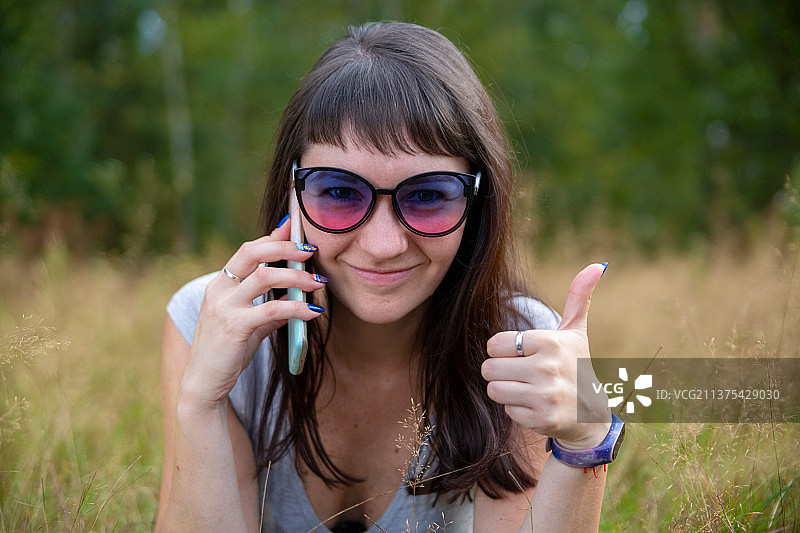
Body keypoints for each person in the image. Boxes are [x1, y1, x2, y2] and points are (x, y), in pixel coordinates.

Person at [155, 21, 620, 533]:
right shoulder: (207, 319)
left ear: (478, 203)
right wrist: (200, 403)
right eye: (337, 191)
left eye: (426, 196)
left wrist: (584, 436)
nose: (382, 246)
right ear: (292, 194)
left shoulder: (517, 343)